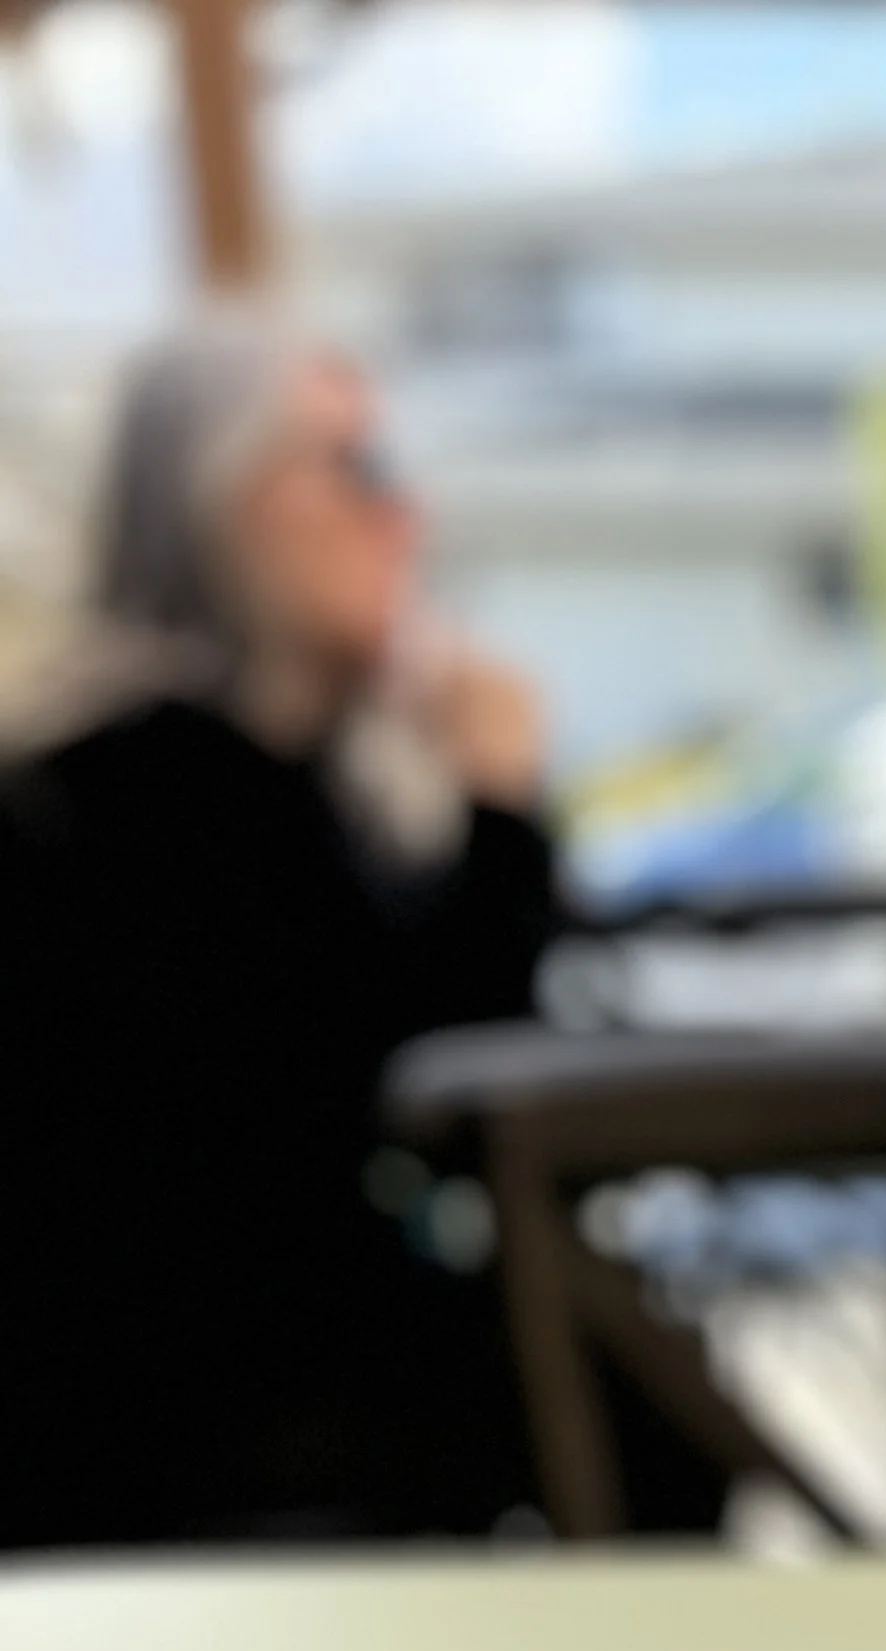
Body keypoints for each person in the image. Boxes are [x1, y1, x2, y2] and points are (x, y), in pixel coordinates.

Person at [0, 311, 557, 1547]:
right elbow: (431, 1086)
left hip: (225, 1425)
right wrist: (499, 812)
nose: (402, 514)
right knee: (617, 1394)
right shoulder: (138, 788)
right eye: (355, 465)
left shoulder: (274, 783)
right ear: (217, 495)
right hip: (175, 1463)